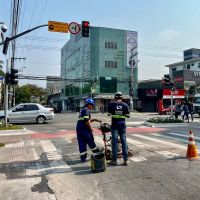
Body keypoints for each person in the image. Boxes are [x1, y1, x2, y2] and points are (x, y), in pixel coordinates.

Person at [107, 92, 130, 166]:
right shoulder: (125, 105)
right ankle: (125, 160)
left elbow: (108, 114)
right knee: (123, 142)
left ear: (115, 97)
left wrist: (115, 113)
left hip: (114, 126)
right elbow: (128, 115)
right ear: (121, 97)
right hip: (122, 126)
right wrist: (121, 113)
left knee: (114, 142)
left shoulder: (111, 104)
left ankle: (114, 160)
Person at [76, 98, 101, 162]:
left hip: (79, 128)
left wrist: (95, 120)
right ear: (89, 104)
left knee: (82, 143)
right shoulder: (87, 110)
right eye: (92, 105)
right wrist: (90, 128)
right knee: (90, 141)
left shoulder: (83, 110)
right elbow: (86, 121)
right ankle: (98, 154)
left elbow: (86, 119)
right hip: (84, 129)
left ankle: (83, 158)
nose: (92, 107)